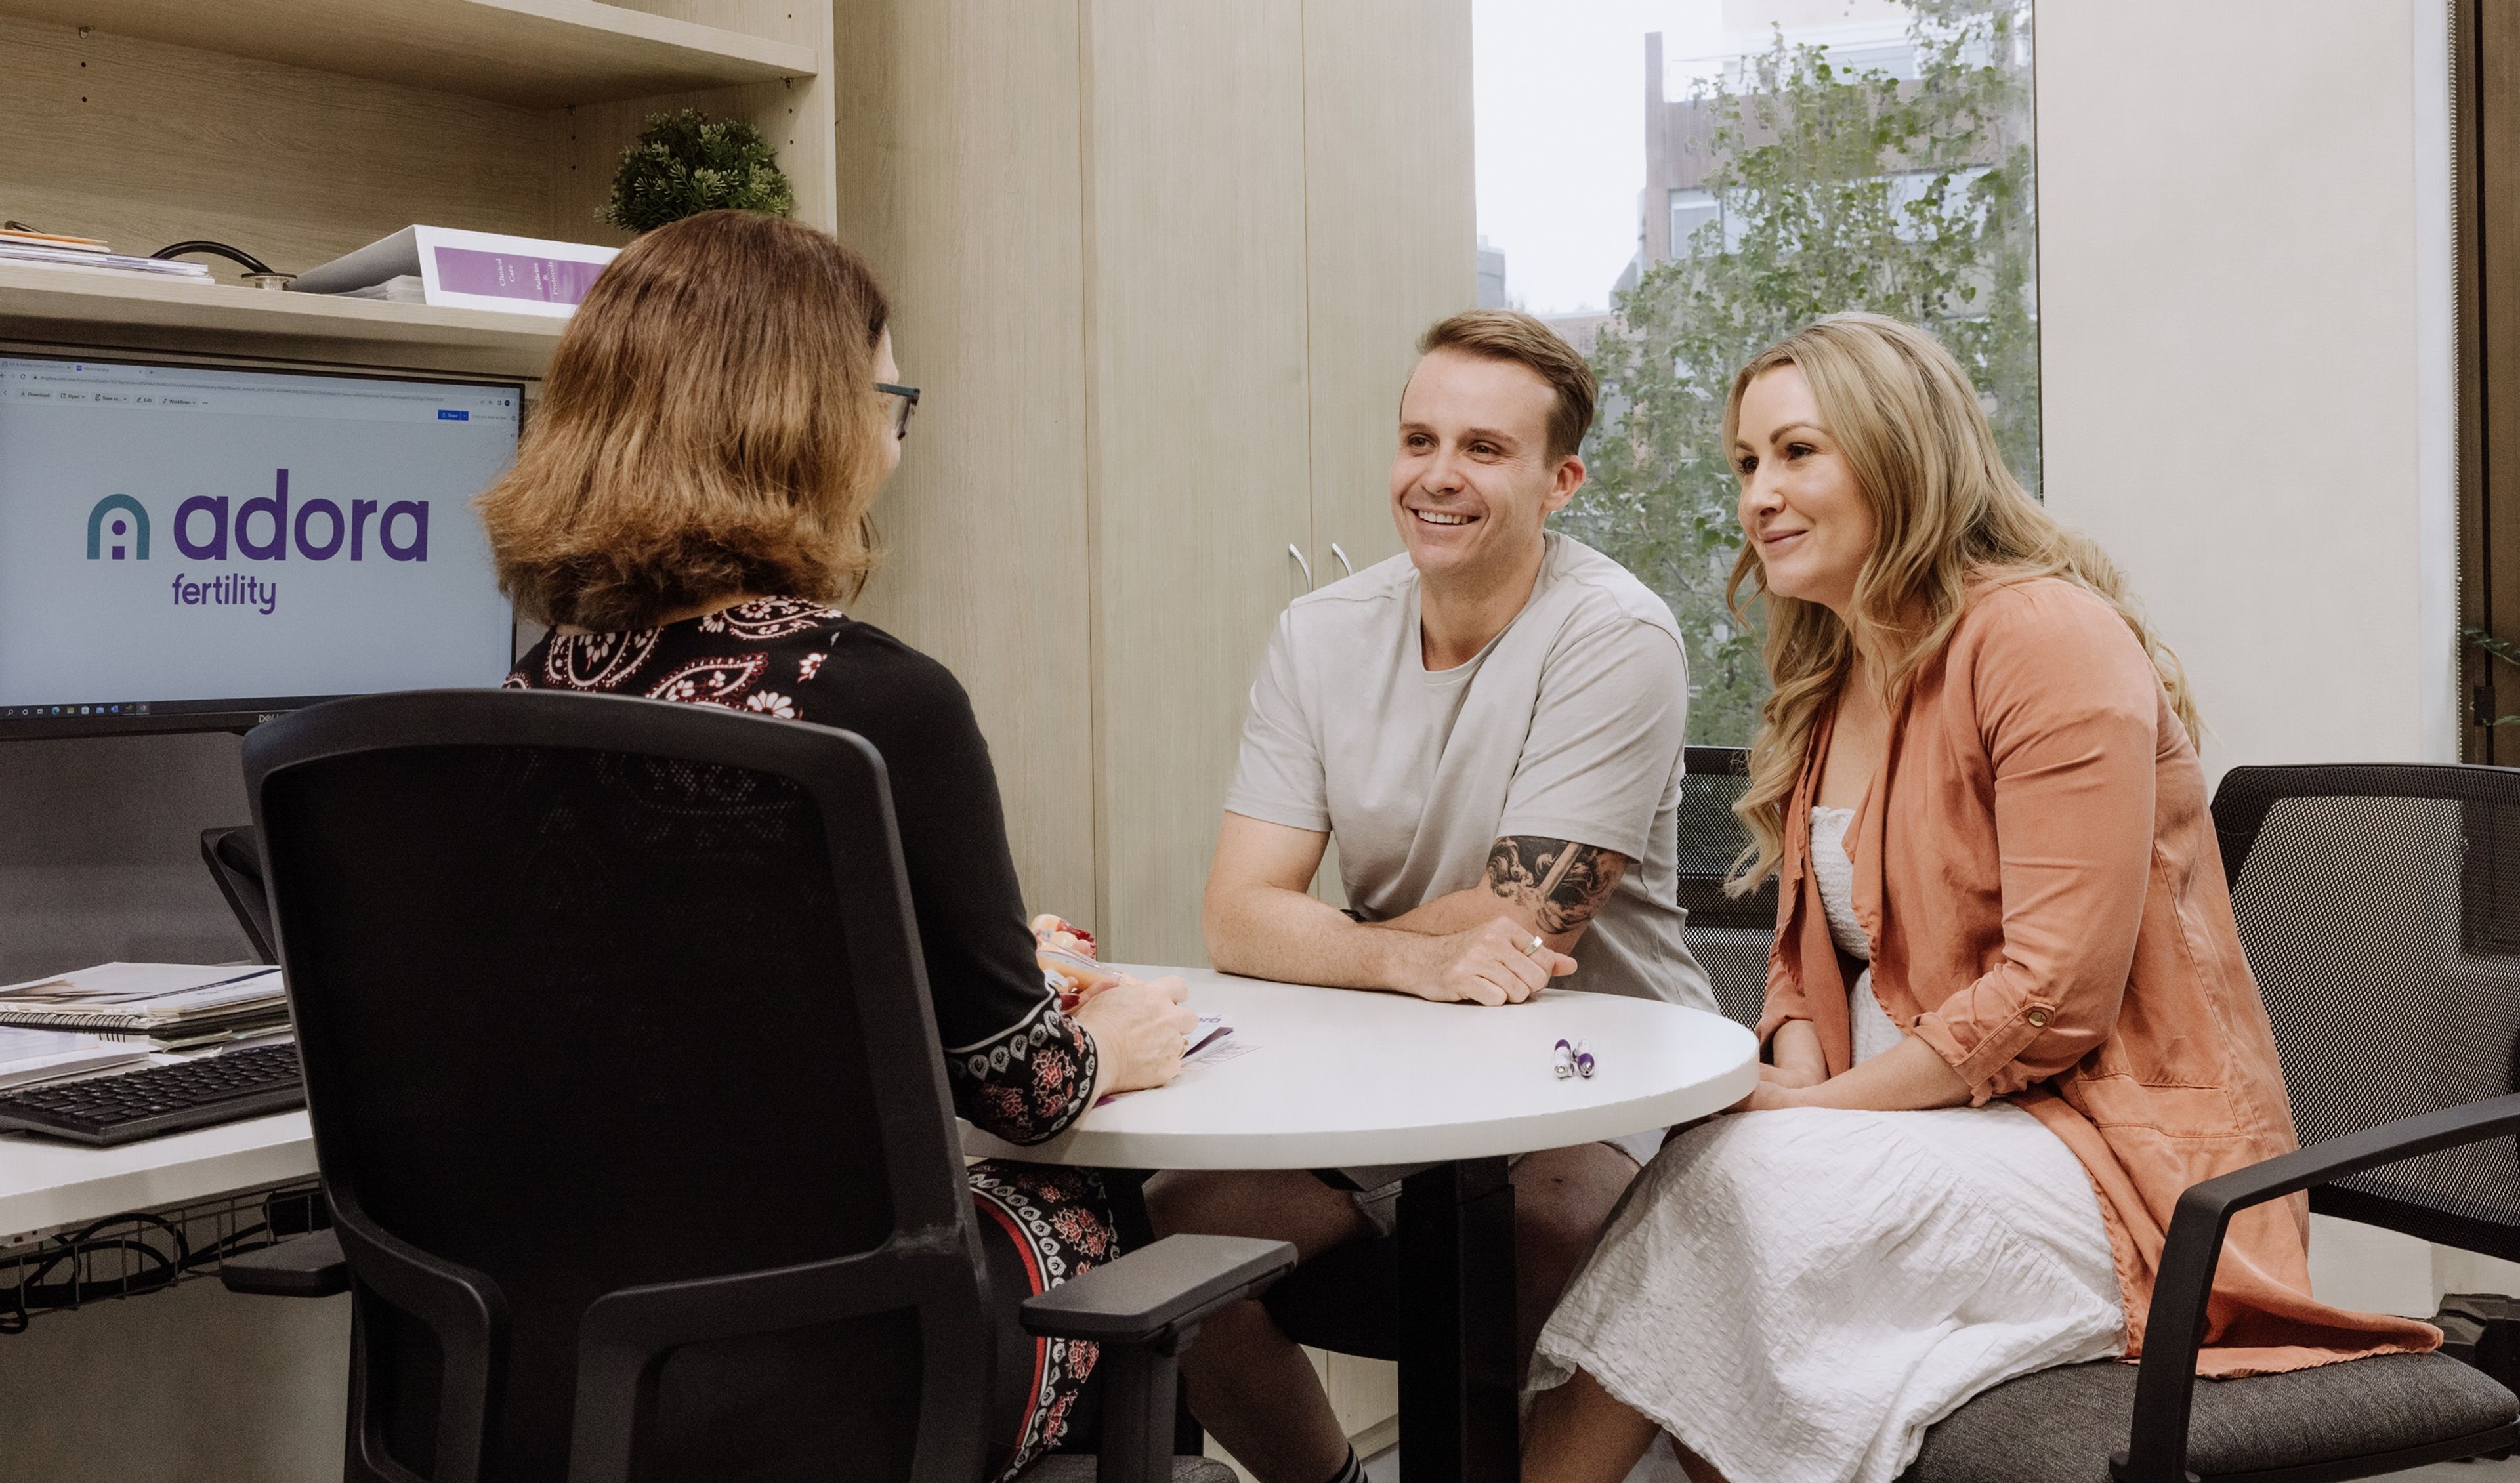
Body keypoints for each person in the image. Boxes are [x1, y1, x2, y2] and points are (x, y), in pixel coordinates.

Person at [1519, 312, 2439, 1483]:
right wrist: (1797, 1077)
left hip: (2107, 1166)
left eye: (1798, 453)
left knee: (1744, 1190)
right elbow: (1811, 956)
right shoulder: (1838, 666)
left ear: (1899, 453)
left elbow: (2053, 997)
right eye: (1747, 463)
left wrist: (1819, 1113)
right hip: (1922, 1127)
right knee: (1727, 1193)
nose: (1759, 495)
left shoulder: (2042, 637)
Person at [476, 209, 1199, 1480]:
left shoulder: (526, 691)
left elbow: (673, 989)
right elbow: (1024, 1093)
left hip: (546, 1363)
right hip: (826, 1379)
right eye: (888, 400)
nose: (896, 439)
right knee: (1106, 1217)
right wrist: (1109, 1044)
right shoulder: (878, 701)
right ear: (808, 424)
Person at [1152, 310, 1717, 1483]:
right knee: (1157, 1236)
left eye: (1484, 449)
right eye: (1420, 440)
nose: (1438, 476)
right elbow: (1236, 913)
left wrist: (1318, 942)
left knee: (1524, 1250)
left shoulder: (1615, 636)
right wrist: (1403, 959)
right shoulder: (1319, 634)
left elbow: (1520, 930)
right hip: (1382, 1068)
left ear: (1561, 483)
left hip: (1588, 1077)